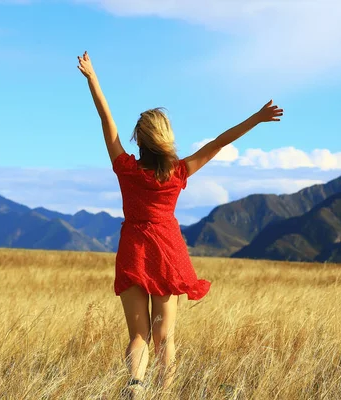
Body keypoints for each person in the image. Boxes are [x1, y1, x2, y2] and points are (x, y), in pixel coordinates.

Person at [77, 51, 283, 399]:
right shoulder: (178, 173)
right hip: (167, 251)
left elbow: (106, 119)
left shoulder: (126, 169)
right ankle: (165, 393)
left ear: (139, 140)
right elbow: (220, 142)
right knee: (165, 337)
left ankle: (135, 385)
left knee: (138, 335)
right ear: (165, 138)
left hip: (133, 249)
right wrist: (257, 118)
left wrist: (92, 77)